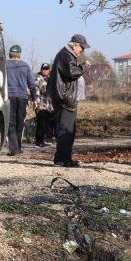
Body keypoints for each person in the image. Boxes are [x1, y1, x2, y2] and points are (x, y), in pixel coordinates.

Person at [48, 34, 90, 167]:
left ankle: (64, 158)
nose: (83, 50)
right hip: (65, 98)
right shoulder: (66, 55)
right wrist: (83, 66)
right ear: (75, 44)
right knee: (65, 129)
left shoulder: (66, 55)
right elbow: (72, 72)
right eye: (82, 47)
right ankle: (62, 160)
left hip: (65, 98)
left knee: (67, 129)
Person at [5, 44, 36, 156]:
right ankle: (18, 146)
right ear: (20, 55)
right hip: (22, 97)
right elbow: (32, 84)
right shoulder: (25, 66)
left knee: (10, 122)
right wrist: (34, 98)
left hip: (8, 96)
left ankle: (14, 149)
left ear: (10, 54)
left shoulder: (5, 65)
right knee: (20, 122)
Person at [34, 63, 54, 147]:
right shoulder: (38, 78)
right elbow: (36, 90)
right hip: (41, 104)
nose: (44, 71)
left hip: (50, 105)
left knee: (47, 124)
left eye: (46, 69)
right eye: (43, 69)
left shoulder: (52, 78)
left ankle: (44, 140)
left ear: (49, 70)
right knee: (41, 124)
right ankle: (38, 142)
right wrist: (37, 103)